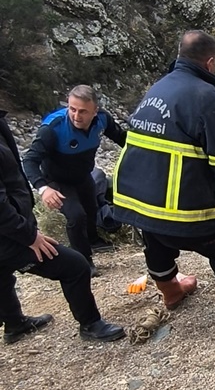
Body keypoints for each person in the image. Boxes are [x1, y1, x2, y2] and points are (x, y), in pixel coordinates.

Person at [113, 30, 215, 310]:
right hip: (177, 203)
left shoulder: (157, 88)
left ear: (180, 55)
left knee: (156, 243)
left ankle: (171, 291)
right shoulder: (207, 96)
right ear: (210, 63)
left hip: (136, 197)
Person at [1, 111, 125, 344]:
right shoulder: (53, 129)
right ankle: (91, 324)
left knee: (2, 276)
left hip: (15, 226)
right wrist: (30, 236)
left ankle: (14, 324)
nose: (77, 115)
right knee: (74, 266)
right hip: (9, 236)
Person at [23, 85, 127, 276]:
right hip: (56, 180)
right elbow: (29, 160)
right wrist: (43, 188)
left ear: (94, 111)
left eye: (82, 111)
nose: (76, 115)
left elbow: (122, 139)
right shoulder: (53, 129)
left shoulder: (102, 120)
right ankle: (83, 261)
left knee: (91, 209)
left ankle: (94, 240)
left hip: (82, 175)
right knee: (76, 215)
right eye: (72, 109)